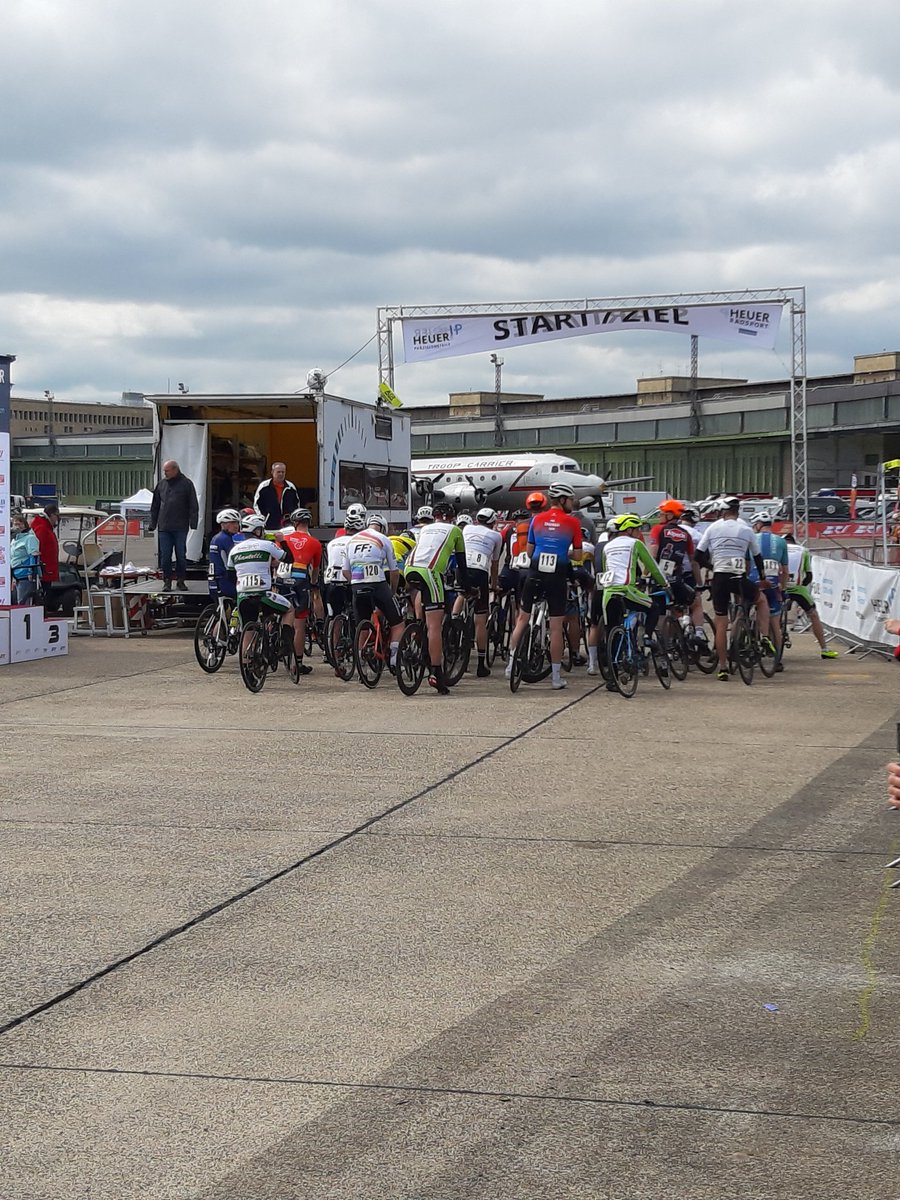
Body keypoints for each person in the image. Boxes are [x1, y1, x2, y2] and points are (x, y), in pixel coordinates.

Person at [505, 483, 583, 690]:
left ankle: (511, 664)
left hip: (535, 571)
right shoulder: (572, 522)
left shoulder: (536, 519)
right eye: (571, 500)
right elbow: (577, 555)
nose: (572, 504)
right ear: (564, 500)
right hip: (557, 574)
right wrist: (562, 552)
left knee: (522, 618)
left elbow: (529, 551)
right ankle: (556, 678)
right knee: (556, 627)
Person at [695, 496, 768, 681]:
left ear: (722, 511)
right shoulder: (745, 529)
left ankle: (722, 667)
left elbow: (698, 556)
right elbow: (757, 557)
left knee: (721, 623)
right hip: (738, 577)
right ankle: (765, 637)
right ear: (737, 512)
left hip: (720, 577)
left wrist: (713, 567)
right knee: (760, 600)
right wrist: (763, 577)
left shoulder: (713, 527)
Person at [281, 507, 323, 673]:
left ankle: (271, 644)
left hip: (282, 579)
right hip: (300, 580)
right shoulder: (315, 543)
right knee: (299, 623)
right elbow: (315, 570)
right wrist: (313, 584)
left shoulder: (284, 538)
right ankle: (297, 664)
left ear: (294, 523)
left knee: (277, 612)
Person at [148, 460, 199, 592]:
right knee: (165, 556)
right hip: (164, 527)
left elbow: (193, 504)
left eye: (167, 470)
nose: (165, 473)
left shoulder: (187, 484)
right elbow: (155, 506)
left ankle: (181, 581)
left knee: (181, 555)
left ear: (175, 469)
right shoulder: (161, 484)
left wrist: (193, 523)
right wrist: (153, 524)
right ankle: (167, 581)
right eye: (164, 470)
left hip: (180, 526)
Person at [253, 462, 300, 531]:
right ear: (272, 472)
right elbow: (257, 504)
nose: (281, 474)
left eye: (283, 472)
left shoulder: (291, 487)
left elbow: (296, 504)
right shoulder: (264, 486)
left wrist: (293, 519)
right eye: (278, 472)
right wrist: (262, 519)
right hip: (268, 525)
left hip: (287, 525)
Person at [29, 504, 60, 604]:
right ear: (51, 515)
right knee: (42, 596)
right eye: (57, 516)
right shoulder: (42, 528)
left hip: (46, 569)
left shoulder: (45, 527)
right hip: (43, 570)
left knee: (45, 595)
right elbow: (36, 549)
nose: (57, 519)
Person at [10, 512, 41, 606]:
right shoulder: (14, 539)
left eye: (19, 524)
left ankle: (26, 619)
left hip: (25, 575)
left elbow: (33, 555)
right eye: (15, 524)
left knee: (23, 602)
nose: (17, 526)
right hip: (16, 574)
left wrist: (30, 572)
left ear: (24, 525)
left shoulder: (30, 538)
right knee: (18, 601)